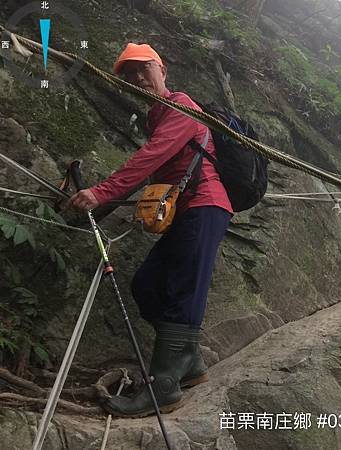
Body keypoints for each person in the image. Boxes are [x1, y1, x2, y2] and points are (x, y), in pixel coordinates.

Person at [66, 43, 233, 417]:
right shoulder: (156, 115)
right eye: (129, 75)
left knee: (182, 293)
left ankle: (163, 386)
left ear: (163, 68)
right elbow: (162, 167)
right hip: (185, 211)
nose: (138, 78)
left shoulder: (180, 106)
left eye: (144, 69)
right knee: (146, 284)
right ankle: (188, 364)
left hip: (205, 205)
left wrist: (101, 192)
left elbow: (151, 157)